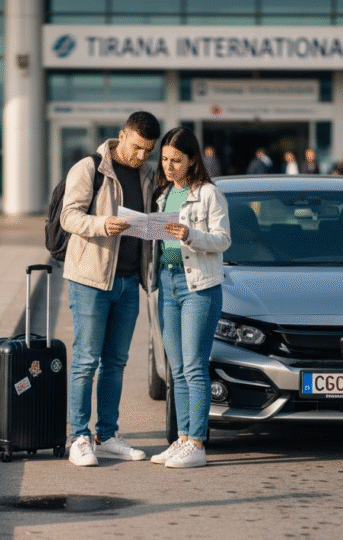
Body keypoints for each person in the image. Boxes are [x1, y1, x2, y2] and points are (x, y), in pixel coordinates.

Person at [59, 110, 161, 466]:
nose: (140, 157)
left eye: (148, 150)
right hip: (91, 279)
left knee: (116, 362)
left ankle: (106, 434)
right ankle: (78, 437)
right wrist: (104, 224)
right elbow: (68, 216)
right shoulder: (90, 167)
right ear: (122, 135)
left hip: (129, 281)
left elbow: (148, 224)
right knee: (86, 359)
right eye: (136, 148)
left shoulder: (147, 173)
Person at [147, 127, 231, 468]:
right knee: (177, 368)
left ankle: (197, 442)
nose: (169, 166)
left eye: (176, 160)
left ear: (192, 159)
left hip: (198, 285)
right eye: (165, 159)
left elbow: (223, 239)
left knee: (195, 367)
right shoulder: (163, 195)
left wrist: (191, 235)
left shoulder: (209, 193)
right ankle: (182, 439)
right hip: (166, 283)